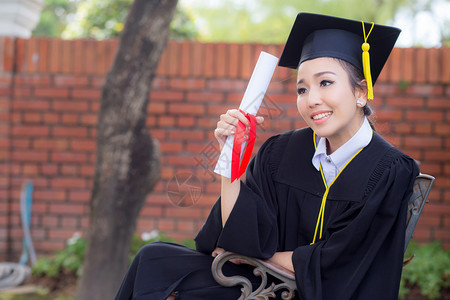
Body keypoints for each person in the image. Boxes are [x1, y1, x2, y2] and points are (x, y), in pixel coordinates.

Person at [115, 12, 419, 300]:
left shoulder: (390, 169)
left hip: (321, 290)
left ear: (360, 92)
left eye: (326, 82)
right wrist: (230, 159)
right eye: (302, 89)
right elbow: (240, 239)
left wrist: (262, 259)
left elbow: (347, 260)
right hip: (263, 284)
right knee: (153, 260)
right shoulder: (282, 152)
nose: (312, 99)